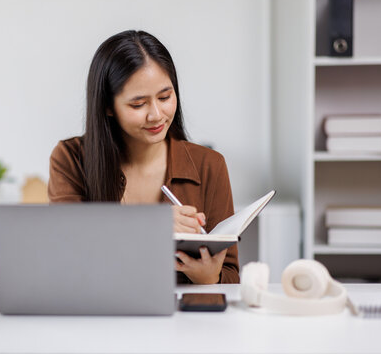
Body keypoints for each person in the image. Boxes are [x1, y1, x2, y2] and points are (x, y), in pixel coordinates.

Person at [48, 30, 239, 284]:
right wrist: (151, 226)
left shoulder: (209, 165)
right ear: (107, 106)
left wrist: (210, 278)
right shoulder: (71, 158)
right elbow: (65, 250)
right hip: (99, 315)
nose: (157, 115)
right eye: (138, 104)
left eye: (165, 97)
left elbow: (231, 276)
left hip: (183, 320)